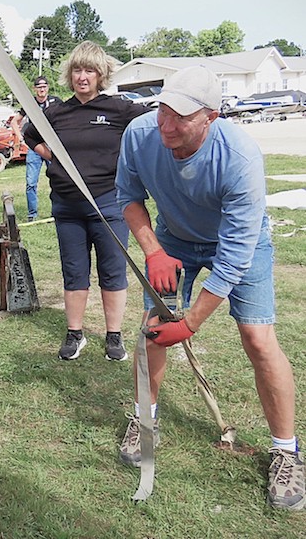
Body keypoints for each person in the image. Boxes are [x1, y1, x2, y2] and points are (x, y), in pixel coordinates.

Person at [115, 65, 304, 511]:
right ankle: (145, 421)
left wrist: (191, 323)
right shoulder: (140, 134)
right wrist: (154, 252)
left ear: (211, 117)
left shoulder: (239, 157)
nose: (166, 125)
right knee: (152, 329)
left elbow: (235, 255)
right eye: (163, 111)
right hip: (174, 238)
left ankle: (286, 451)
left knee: (258, 339)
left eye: (180, 117)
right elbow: (128, 197)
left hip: (239, 242)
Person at [24, 41, 149, 362]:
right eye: (77, 70)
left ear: (101, 75)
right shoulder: (56, 112)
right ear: (70, 74)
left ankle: (113, 336)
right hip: (67, 208)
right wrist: (50, 156)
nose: (82, 77)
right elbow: (30, 133)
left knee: (113, 272)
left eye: (90, 71)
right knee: (74, 272)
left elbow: (152, 125)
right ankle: (75, 333)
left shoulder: (119, 109)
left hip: (108, 206)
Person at [12, 75, 61, 221]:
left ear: (48, 88)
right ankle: (32, 215)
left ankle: (57, 211)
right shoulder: (30, 103)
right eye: (39, 87)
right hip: (34, 147)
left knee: (58, 180)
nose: (42, 90)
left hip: (51, 146)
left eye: (44, 87)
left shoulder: (56, 102)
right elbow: (15, 122)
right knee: (31, 182)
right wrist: (21, 139)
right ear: (35, 89)